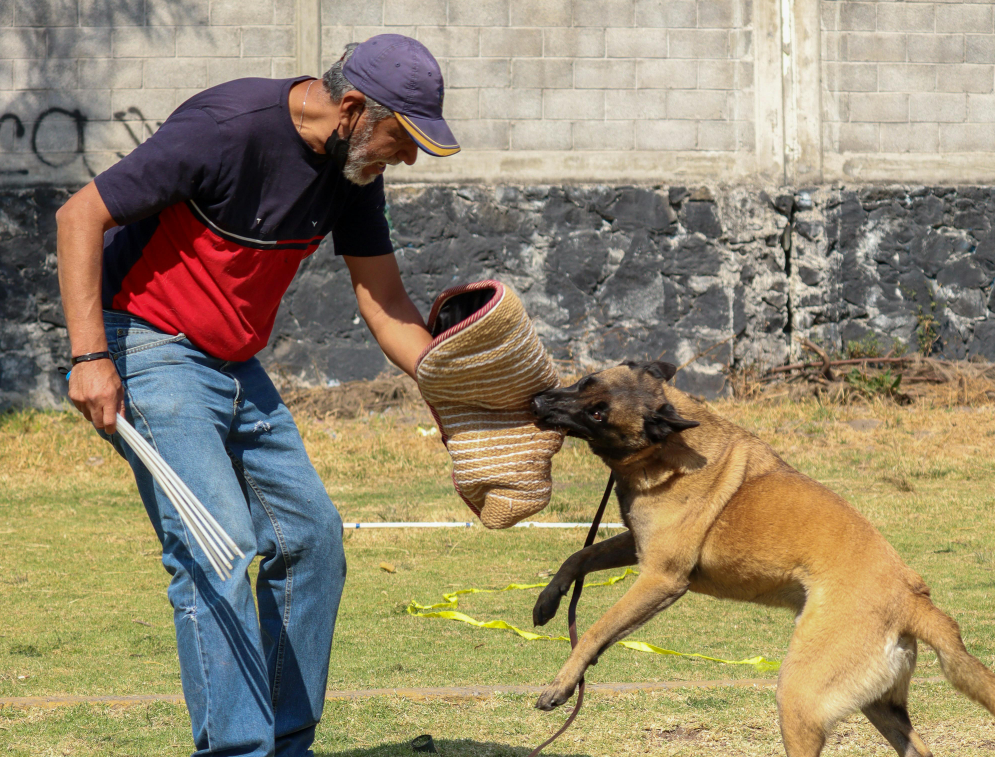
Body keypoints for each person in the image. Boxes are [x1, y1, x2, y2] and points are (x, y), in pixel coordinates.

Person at [55, 34, 458, 757]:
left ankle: (285, 744)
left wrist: (457, 389)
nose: (407, 158)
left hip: (233, 363)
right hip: (144, 341)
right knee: (217, 545)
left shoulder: (353, 168)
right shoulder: (226, 128)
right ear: (355, 109)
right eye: (405, 138)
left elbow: (386, 300)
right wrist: (88, 355)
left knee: (312, 539)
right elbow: (79, 215)